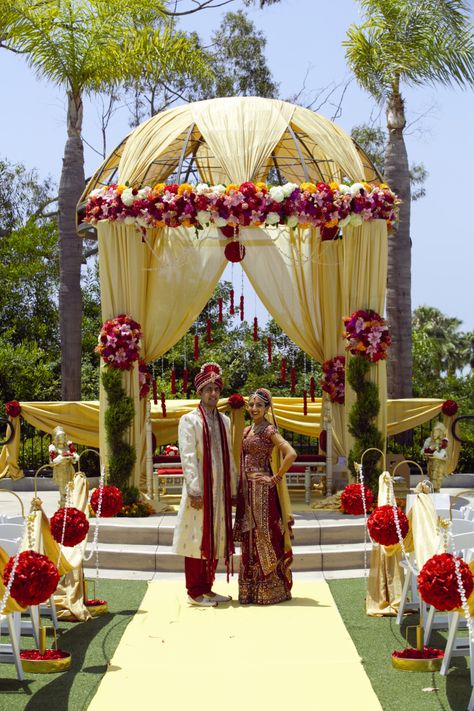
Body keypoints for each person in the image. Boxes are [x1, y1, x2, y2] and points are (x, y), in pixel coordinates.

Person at [172, 362, 237, 607]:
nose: (212, 393)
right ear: (199, 392)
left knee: (215, 537)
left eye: (216, 389)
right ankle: (194, 590)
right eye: (207, 389)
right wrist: (195, 490)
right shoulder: (189, 421)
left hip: (219, 491)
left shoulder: (224, 421)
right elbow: (187, 456)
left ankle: (207, 587)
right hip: (199, 490)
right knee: (196, 537)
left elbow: (229, 455)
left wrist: (232, 489)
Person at [234, 388, 296, 605]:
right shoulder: (247, 431)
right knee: (249, 537)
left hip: (263, 490)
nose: (253, 408)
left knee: (265, 535)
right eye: (251, 405)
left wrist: (275, 478)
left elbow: (291, 453)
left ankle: (270, 588)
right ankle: (250, 589)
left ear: (267, 408)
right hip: (247, 490)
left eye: (258, 405)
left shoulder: (269, 430)